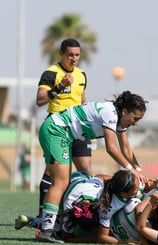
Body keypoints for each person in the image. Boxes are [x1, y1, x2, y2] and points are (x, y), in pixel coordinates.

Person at [36, 91, 148, 243]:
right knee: (60, 182)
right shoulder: (110, 113)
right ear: (124, 111)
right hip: (56, 130)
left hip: (63, 134)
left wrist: (139, 171)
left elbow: (126, 148)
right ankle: (46, 231)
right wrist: (131, 169)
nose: (136, 123)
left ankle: (48, 225)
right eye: (135, 118)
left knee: (64, 182)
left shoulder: (119, 119)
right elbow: (111, 148)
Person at [35, 38, 92, 218]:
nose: (74, 58)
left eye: (77, 55)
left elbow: (82, 101)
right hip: (57, 127)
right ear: (61, 54)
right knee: (53, 174)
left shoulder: (81, 74)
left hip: (78, 128)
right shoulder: (51, 73)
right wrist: (60, 86)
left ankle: (83, 213)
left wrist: (89, 129)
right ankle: (43, 215)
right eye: (70, 55)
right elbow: (40, 100)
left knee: (86, 172)